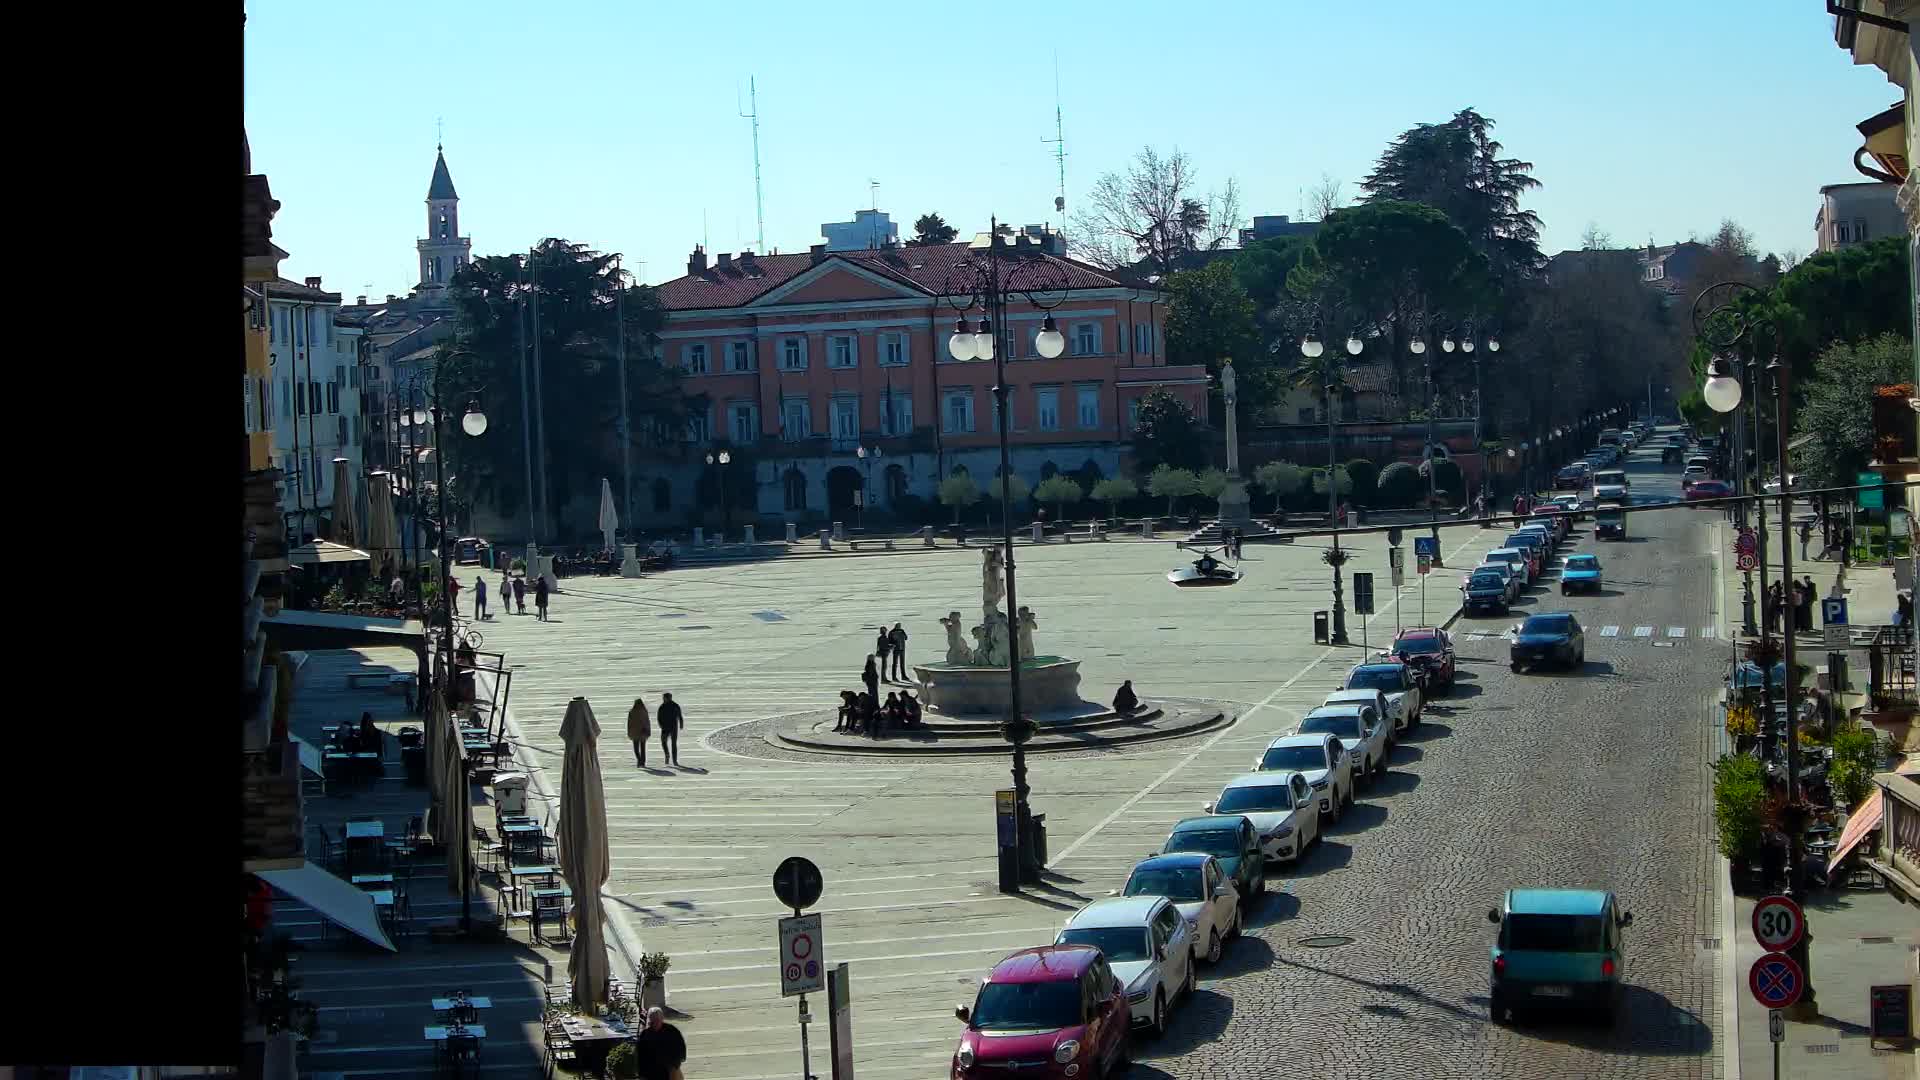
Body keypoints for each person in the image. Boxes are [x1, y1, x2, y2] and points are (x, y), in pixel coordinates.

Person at [634, 1006, 687, 1080]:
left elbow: (680, 1048)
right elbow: (641, 1054)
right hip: (652, 1070)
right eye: (653, 1021)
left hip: (670, 1068)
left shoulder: (671, 1031)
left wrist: (675, 1064)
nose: (655, 1023)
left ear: (662, 1019)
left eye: (658, 1020)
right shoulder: (645, 1034)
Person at [656, 693, 683, 766]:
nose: (663, 699)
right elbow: (659, 717)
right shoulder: (672, 705)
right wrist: (681, 724)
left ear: (668, 698)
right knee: (666, 742)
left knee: (671, 743)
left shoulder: (666, 706)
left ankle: (674, 759)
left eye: (664, 698)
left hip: (669, 727)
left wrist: (681, 723)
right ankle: (668, 755)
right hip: (669, 727)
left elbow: (679, 715)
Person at [628, 697, 651, 768]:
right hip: (641, 732)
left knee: (636, 748)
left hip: (636, 732)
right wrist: (648, 730)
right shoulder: (643, 711)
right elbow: (648, 722)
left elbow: (629, 723)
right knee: (642, 748)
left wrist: (629, 732)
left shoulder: (632, 711)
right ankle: (641, 761)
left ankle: (640, 760)